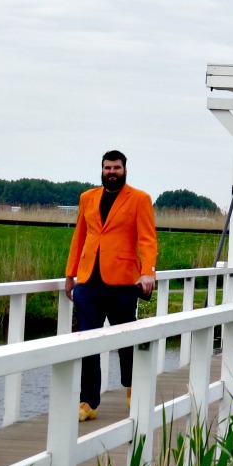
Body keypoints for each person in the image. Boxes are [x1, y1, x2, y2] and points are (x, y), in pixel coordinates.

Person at [65, 150, 157, 422]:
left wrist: (147, 272)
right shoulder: (87, 198)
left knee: (126, 341)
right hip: (88, 281)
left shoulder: (139, 199)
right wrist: (70, 274)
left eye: (116, 167)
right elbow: (79, 235)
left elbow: (148, 239)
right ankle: (88, 401)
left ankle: (131, 387)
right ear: (102, 169)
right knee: (87, 341)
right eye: (107, 167)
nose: (112, 171)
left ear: (125, 170)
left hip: (122, 282)